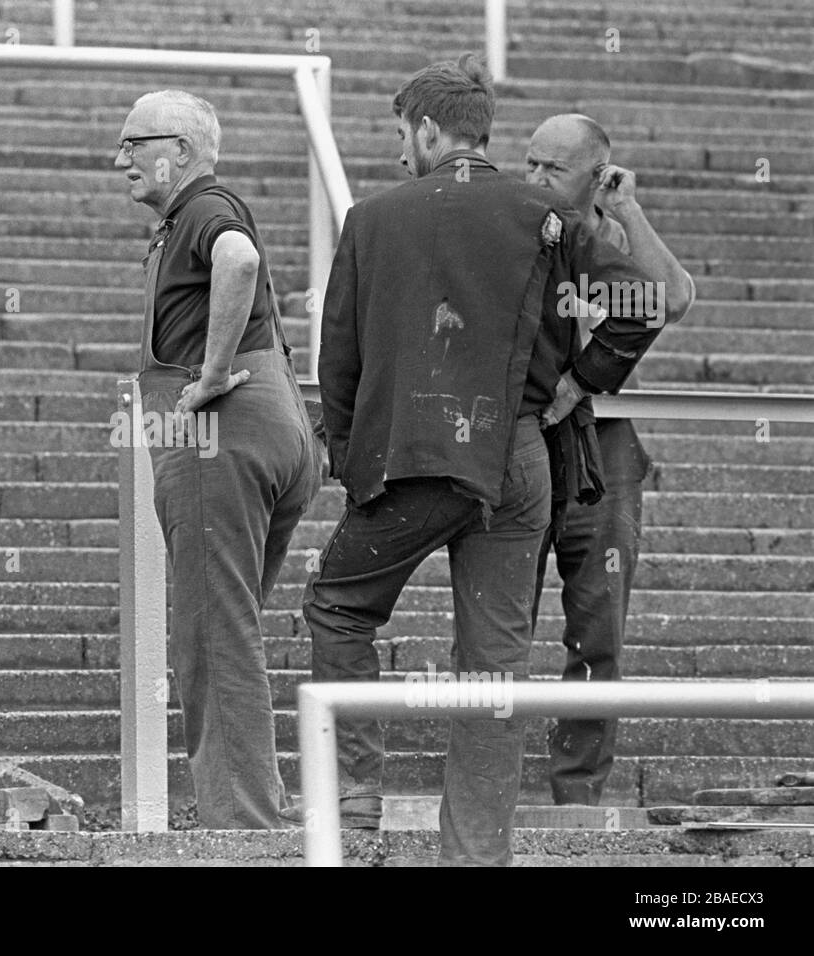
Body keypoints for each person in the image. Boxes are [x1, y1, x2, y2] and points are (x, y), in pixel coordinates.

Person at [303, 54, 685, 864]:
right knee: (494, 666)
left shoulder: (371, 218)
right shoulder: (545, 215)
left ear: (430, 129)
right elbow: (647, 303)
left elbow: (339, 363)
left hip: (409, 458)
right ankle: (475, 856)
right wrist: (583, 381)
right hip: (519, 460)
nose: (400, 149)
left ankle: (356, 803)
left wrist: (346, 457)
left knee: (339, 608)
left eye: (403, 132)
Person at [115, 90, 320, 828]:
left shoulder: (202, 205)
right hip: (273, 423)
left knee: (213, 638)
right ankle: (249, 813)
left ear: (182, 148)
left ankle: (243, 834)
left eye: (134, 144)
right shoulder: (192, 211)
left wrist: (206, 374)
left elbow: (239, 260)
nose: (121, 159)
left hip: (221, 432)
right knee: (226, 629)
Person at [524, 115, 695, 805]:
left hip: (606, 441)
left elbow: (673, 299)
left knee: (599, 624)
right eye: (528, 163)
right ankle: (482, 785)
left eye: (550, 170)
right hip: (527, 429)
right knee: (496, 620)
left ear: (595, 178)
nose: (532, 179)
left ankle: (577, 794)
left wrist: (625, 206)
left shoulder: (614, 234)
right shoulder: (518, 223)